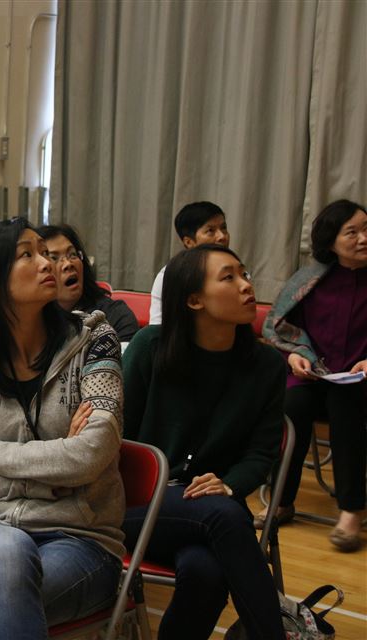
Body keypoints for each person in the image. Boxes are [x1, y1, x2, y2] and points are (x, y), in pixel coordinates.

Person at [0, 217, 125, 640]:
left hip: (82, 538)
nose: (47, 263)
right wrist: (46, 475)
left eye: (45, 252)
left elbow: (90, 455)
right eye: (29, 254)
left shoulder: (94, 339)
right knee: (9, 548)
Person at [123, 244, 285, 640]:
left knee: (207, 573)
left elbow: (261, 452)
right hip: (139, 507)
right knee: (223, 515)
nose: (246, 286)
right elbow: (116, 438)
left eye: (245, 274)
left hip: (215, 509)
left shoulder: (266, 365)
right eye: (229, 277)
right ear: (194, 300)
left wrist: (229, 485)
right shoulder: (150, 347)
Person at [261, 199, 367, 552]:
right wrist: (294, 356)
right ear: (331, 240)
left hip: (359, 382)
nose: (363, 238)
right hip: (312, 375)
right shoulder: (310, 280)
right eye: (352, 232)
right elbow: (283, 329)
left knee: (346, 407)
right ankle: (282, 501)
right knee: (292, 405)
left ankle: (351, 510)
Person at [40, 224, 139, 341]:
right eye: (54, 258)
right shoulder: (32, 323)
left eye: (72, 254)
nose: (68, 264)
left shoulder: (115, 316)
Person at [149, 201, 229, 324]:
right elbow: (158, 327)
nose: (222, 236)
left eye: (223, 228)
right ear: (189, 242)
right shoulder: (170, 276)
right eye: (210, 231)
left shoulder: (238, 272)